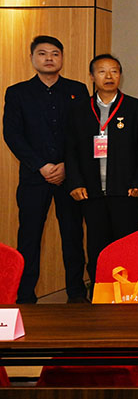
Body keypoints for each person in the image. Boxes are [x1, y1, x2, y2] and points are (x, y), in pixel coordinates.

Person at [3, 35, 89, 303]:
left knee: (73, 237)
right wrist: (41, 165)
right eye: (42, 53)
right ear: (32, 58)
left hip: (69, 177)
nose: (49, 58)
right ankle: (25, 296)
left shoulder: (77, 90)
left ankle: (76, 294)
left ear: (62, 58)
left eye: (55, 53)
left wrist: (66, 165)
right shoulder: (17, 92)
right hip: (34, 177)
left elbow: (83, 133)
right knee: (29, 237)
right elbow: (12, 134)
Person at [65, 54, 138, 286]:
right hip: (91, 192)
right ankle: (99, 293)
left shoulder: (136, 108)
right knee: (97, 247)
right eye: (102, 71)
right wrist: (75, 182)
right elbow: (70, 149)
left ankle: (129, 295)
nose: (109, 76)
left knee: (128, 247)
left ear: (120, 75)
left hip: (127, 191)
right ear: (92, 76)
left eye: (114, 71)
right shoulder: (79, 109)